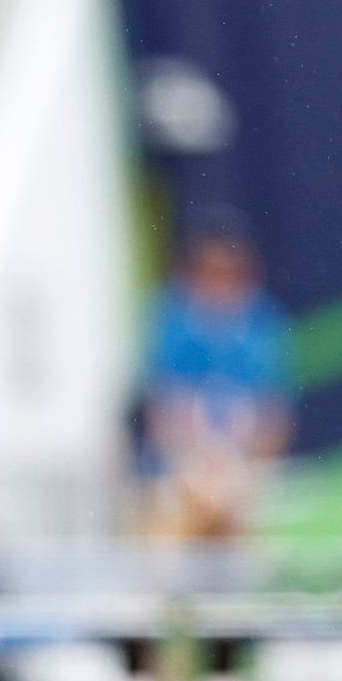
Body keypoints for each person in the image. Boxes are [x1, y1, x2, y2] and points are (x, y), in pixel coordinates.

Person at [137, 211, 293, 543]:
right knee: (167, 525)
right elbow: (162, 408)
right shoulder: (173, 320)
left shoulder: (261, 325)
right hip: (179, 467)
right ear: (193, 272)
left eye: (229, 273)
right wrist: (195, 471)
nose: (220, 284)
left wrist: (239, 474)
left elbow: (274, 415)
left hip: (243, 468)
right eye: (211, 272)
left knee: (249, 523)